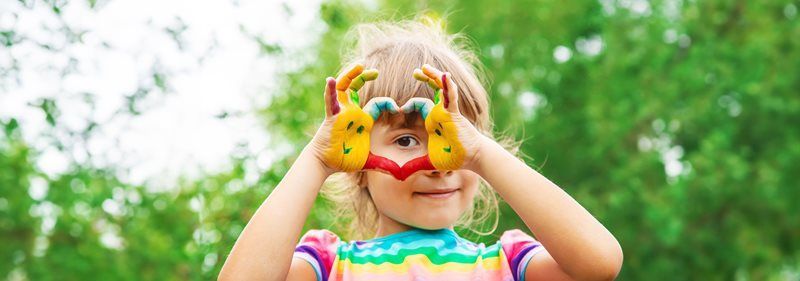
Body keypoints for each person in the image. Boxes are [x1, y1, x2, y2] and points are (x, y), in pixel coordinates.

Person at [219, 17, 622, 281]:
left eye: (456, 138)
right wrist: (315, 159)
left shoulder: (507, 265)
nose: (440, 164)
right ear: (357, 164)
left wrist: (482, 154)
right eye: (406, 140)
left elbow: (600, 264)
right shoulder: (329, 266)